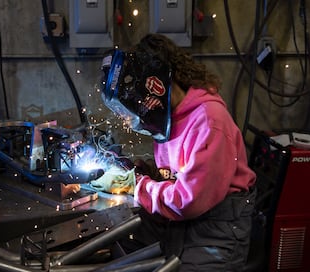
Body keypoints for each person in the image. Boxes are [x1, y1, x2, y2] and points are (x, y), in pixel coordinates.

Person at [99, 33, 257, 271]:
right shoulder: (172, 117)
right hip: (186, 224)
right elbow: (180, 173)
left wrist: (137, 186)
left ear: (155, 84)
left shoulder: (209, 121)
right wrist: (148, 172)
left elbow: (188, 200)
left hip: (215, 234)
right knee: (117, 239)